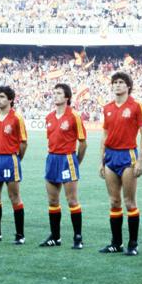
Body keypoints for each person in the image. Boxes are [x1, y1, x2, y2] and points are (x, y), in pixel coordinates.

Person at [98, 72, 142, 256]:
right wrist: (101, 160)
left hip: (128, 156)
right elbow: (105, 135)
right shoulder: (108, 108)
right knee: (114, 201)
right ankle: (116, 243)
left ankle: (133, 244)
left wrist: (140, 160)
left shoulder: (136, 106)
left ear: (128, 86)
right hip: (111, 156)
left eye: (121, 82)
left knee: (129, 202)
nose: (117, 85)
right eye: (115, 82)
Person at [42, 83, 87, 249]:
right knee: (53, 200)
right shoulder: (49, 117)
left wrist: (76, 162)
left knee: (72, 200)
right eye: (54, 93)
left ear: (67, 97)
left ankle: (78, 237)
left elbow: (83, 143)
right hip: (51, 159)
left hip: (67, 159)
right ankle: (55, 236)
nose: (55, 95)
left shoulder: (74, 116)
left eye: (59, 93)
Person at [0, 86, 28, 244]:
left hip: (10, 159)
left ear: (10, 99)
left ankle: (20, 235)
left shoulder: (17, 118)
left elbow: (23, 143)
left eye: (2, 97)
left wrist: (16, 159)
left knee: (14, 197)